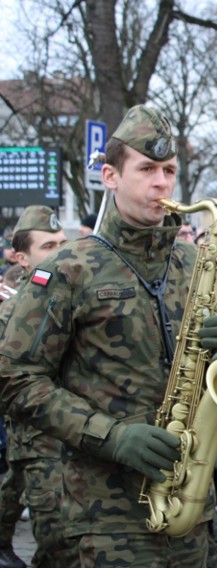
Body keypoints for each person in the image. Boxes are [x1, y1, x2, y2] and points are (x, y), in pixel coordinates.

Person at [0, 105, 217, 567]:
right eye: (147, 169)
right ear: (111, 176)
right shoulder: (68, 269)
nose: (161, 183)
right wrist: (112, 436)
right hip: (103, 519)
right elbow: (15, 378)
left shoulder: (199, 265)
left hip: (191, 511)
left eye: (169, 170)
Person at [0, 207, 70, 568]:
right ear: (22, 258)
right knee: (55, 540)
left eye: (62, 242)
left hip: (76, 438)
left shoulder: (74, 295)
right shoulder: (14, 311)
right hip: (38, 439)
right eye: (48, 246)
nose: (59, 251)